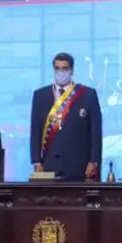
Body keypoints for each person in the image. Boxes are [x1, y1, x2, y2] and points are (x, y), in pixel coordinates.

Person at [30, 52, 102, 181]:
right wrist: (36, 161)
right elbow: (35, 130)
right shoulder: (40, 95)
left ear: (72, 70)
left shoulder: (87, 94)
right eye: (57, 68)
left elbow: (95, 132)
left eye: (65, 68)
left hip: (78, 166)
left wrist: (93, 161)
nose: (61, 72)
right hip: (49, 165)